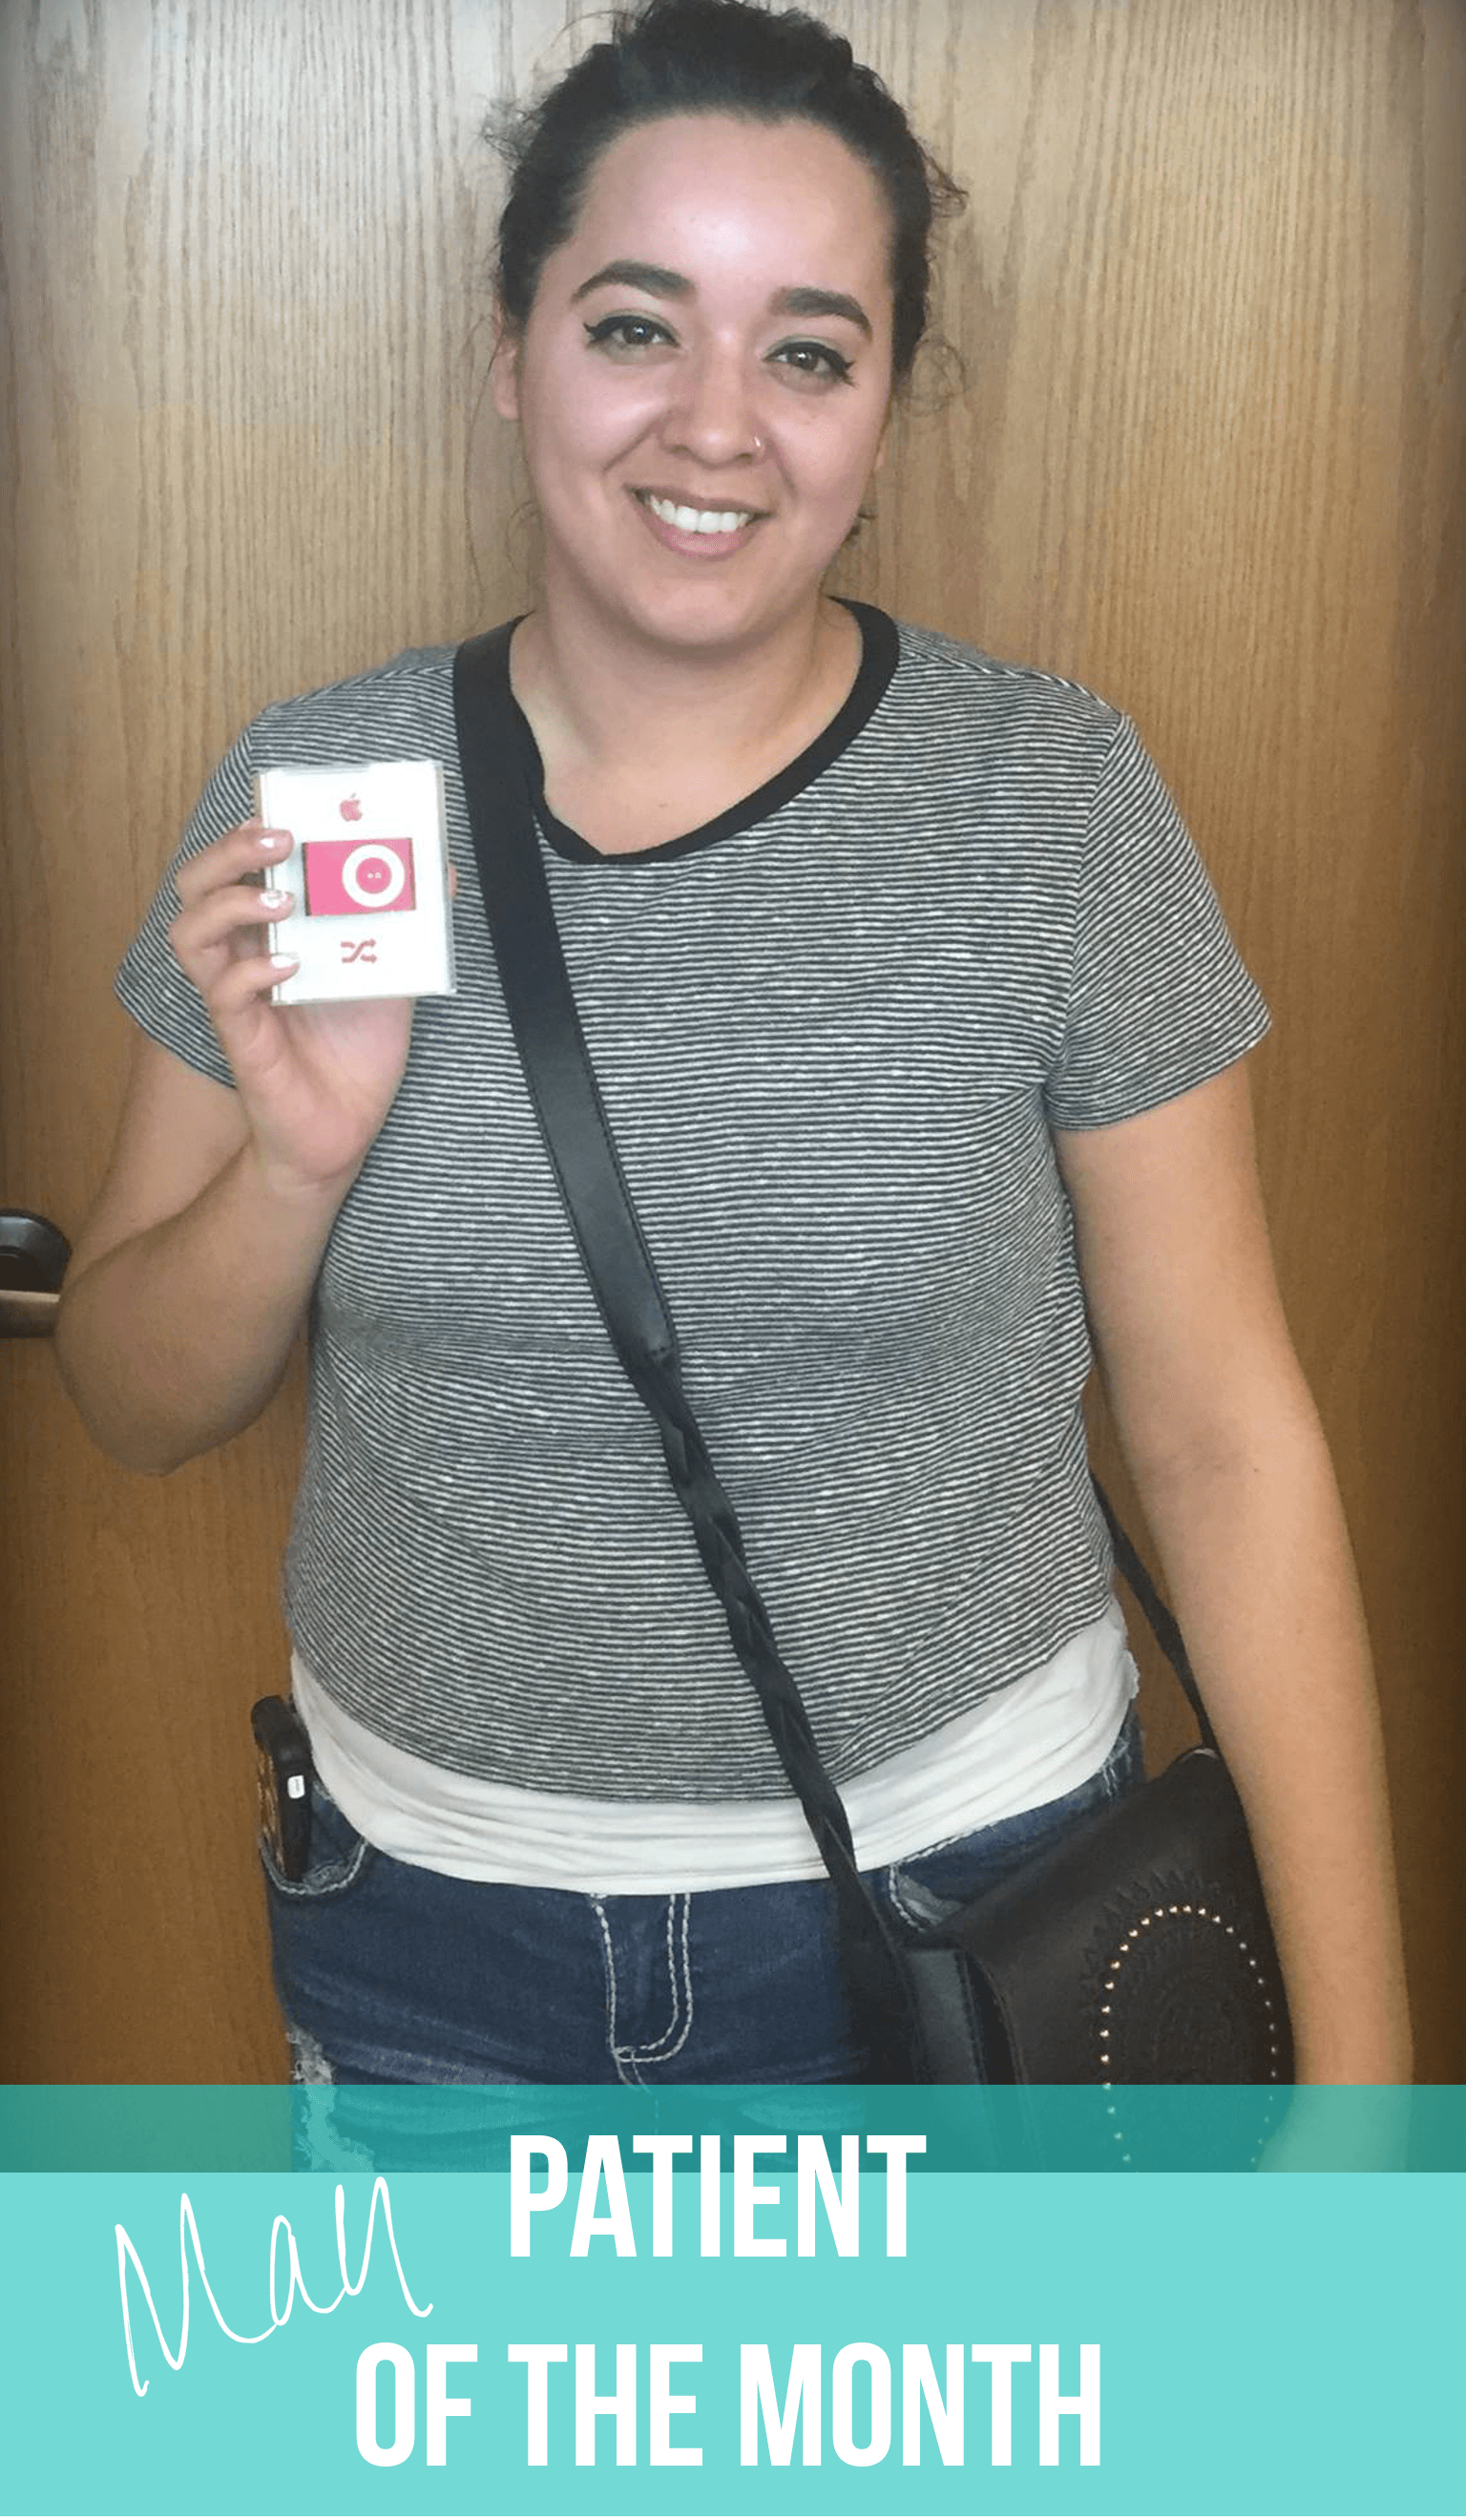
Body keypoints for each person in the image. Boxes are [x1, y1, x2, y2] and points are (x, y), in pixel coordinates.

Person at [55, 0, 1411, 2088]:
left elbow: (1226, 1437)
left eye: (807, 352)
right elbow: (133, 1401)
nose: (716, 426)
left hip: (982, 1926)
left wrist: (1367, 2071)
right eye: (634, 327)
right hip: (433, 1952)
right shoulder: (330, 794)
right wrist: (295, 1173)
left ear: (882, 410)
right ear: (511, 354)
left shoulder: (1046, 802)